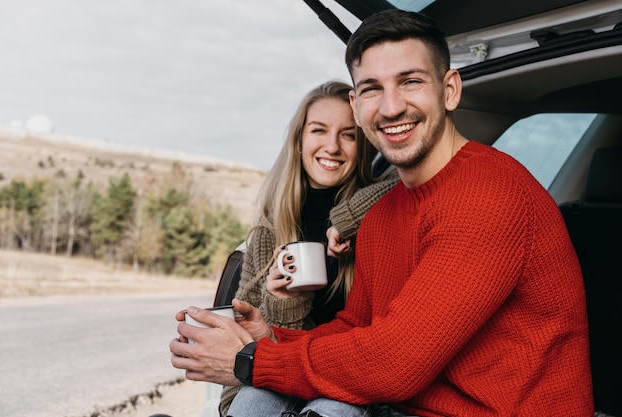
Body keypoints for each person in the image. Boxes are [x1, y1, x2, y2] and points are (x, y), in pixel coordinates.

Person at [170, 9, 593, 417]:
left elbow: (395, 362)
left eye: (410, 82)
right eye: (372, 88)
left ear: (449, 90)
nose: (390, 108)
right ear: (356, 104)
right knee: (257, 402)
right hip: (400, 407)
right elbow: (356, 328)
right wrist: (270, 337)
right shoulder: (383, 214)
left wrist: (251, 361)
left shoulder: (490, 194)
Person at [216, 80, 397, 416]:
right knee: (252, 405)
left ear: (364, 145)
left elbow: (423, 175)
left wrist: (350, 217)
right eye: (318, 130)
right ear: (299, 140)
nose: (332, 146)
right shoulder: (268, 232)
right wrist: (285, 304)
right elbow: (249, 342)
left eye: (348, 134)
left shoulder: (385, 213)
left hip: (354, 380)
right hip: (287, 377)